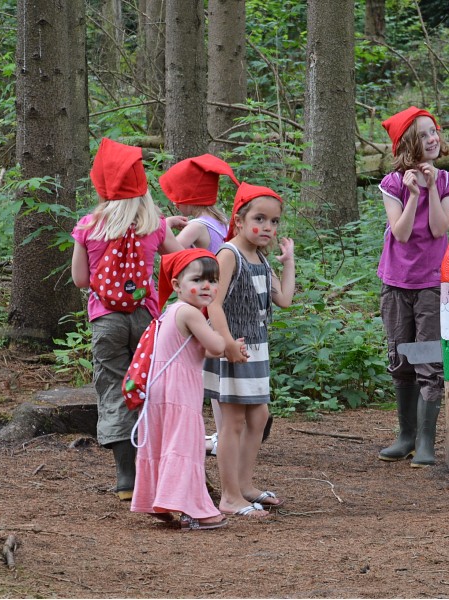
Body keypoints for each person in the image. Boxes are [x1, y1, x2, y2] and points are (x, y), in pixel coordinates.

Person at [71, 138, 183, 501]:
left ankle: (125, 478)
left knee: (115, 387)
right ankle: (158, 468)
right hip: (146, 319)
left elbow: (81, 280)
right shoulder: (155, 225)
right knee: (147, 387)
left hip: (106, 321)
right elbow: (182, 260)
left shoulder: (88, 226)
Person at [130, 249, 249, 530]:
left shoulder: (172, 311)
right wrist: (228, 343)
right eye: (199, 279)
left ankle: (158, 501)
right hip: (178, 391)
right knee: (186, 446)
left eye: (214, 280)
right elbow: (217, 346)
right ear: (176, 285)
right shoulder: (190, 313)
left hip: (161, 388)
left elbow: (199, 351)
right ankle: (194, 509)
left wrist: (221, 346)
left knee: (163, 443)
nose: (208, 286)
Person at [375, 106, 449, 467]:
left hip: (432, 285)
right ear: (408, 143)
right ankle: (405, 437)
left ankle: (426, 441)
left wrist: (429, 188)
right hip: (396, 284)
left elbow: (441, 229)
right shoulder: (392, 184)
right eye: (425, 134)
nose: (433, 138)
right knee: (402, 358)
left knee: (428, 359)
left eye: (435, 131)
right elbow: (401, 233)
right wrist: (413, 195)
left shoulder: (448, 182)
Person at [203, 182, 295, 517]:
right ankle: (229, 496)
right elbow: (213, 302)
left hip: (257, 348)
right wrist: (226, 343)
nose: (268, 227)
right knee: (233, 421)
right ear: (239, 220)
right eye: (260, 219)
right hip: (234, 346)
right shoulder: (229, 254)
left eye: (274, 222)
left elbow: (283, 299)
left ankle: (244, 485)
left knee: (259, 416)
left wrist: (288, 262)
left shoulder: (260, 257)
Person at [159, 154, 240, 455]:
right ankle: (225, 431)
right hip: (222, 297)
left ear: (188, 198)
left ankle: (220, 435)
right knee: (219, 371)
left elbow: (173, 258)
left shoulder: (195, 226)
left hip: (206, 304)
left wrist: (164, 227)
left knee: (211, 373)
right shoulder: (220, 221)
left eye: (177, 198)